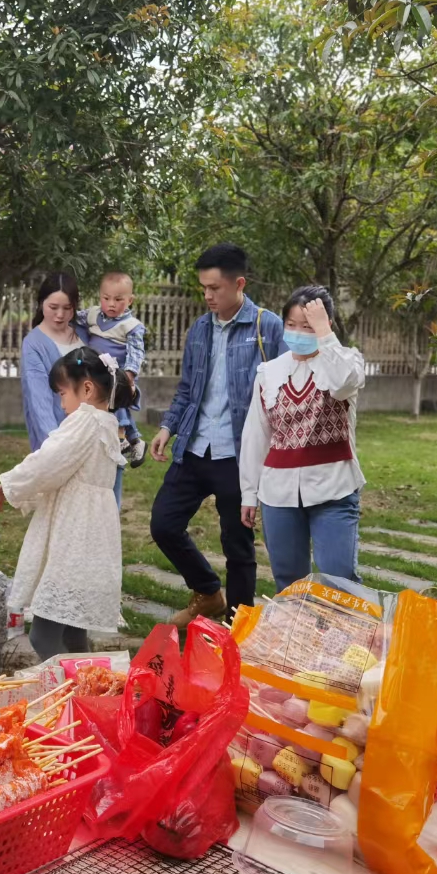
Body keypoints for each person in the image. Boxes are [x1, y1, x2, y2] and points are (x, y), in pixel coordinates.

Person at [149, 243, 285, 623]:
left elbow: (284, 390)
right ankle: (208, 592)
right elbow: (188, 389)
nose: (208, 296)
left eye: (215, 288)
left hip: (239, 454)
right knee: (163, 524)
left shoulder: (268, 327)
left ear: (239, 283)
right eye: (204, 288)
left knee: (238, 547)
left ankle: (236, 630)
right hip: (195, 447)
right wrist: (168, 427)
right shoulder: (199, 329)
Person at [0, 348, 132, 660]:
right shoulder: (106, 423)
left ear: (87, 389)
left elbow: (49, 462)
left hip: (73, 539)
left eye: (62, 393)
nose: (61, 403)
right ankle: (88, 690)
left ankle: (61, 692)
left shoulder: (85, 421)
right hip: (92, 537)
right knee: (74, 628)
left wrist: (8, 485)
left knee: (44, 634)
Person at [239, 286, 367, 592]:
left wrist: (323, 332)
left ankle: (347, 639)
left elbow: (343, 383)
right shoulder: (269, 373)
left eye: (307, 326)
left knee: (339, 582)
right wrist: (249, 492)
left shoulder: (346, 361)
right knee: (289, 584)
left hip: (334, 488)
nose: (298, 332)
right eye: (292, 325)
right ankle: (298, 639)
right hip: (277, 492)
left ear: (327, 325)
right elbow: (256, 434)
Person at [78, 271, 148, 467]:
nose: (111, 304)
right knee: (111, 403)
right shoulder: (92, 314)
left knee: (114, 401)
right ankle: (135, 441)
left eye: (118, 299)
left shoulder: (131, 326)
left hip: (118, 374)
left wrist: (130, 376)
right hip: (98, 372)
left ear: (130, 300)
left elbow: (136, 352)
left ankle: (121, 438)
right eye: (106, 298)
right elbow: (73, 318)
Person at [20, 272, 85, 451]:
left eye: (67, 308)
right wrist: (56, 449)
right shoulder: (34, 344)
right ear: (41, 304)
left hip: (95, 437)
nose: (60, 315)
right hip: (62, 442)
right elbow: (39, 403)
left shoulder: (84, 332)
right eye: (53, 307)